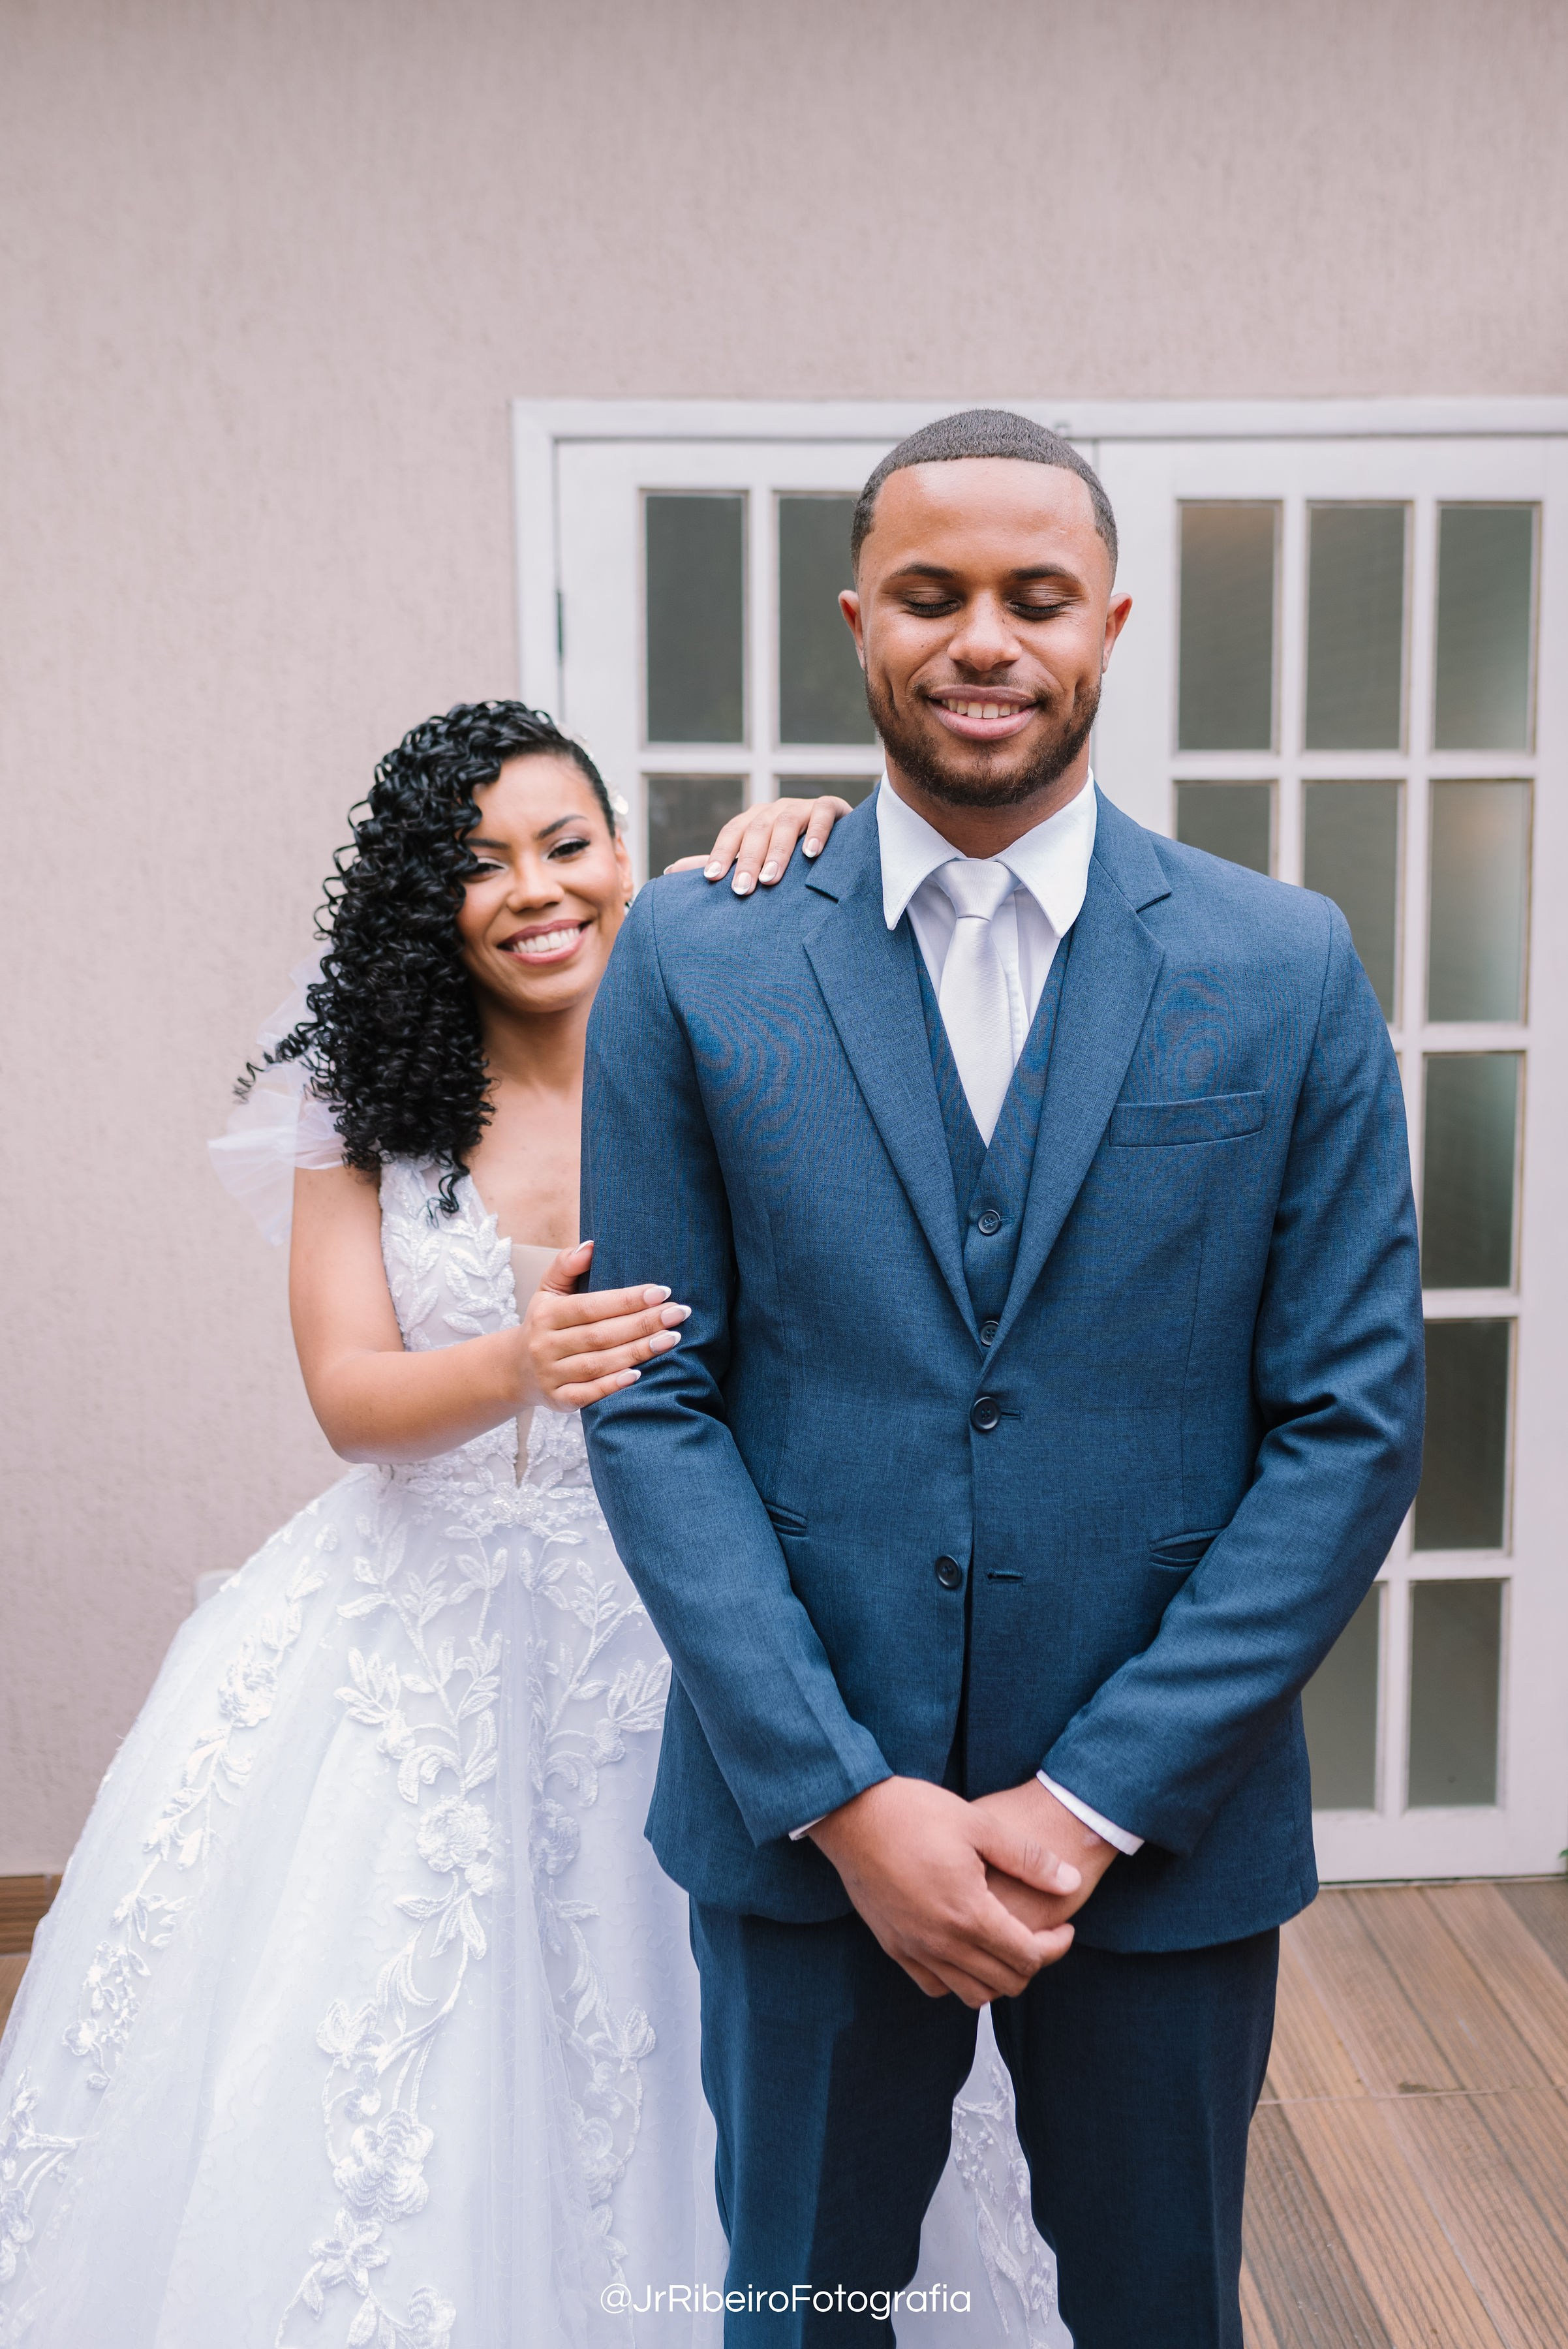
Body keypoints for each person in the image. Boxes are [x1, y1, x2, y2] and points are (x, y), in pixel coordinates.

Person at [579, 411, 1426, 2347]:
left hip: (1159, 1837)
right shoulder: (696, 960)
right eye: (935, 595)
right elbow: (653, 1396)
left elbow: (1348, 1423)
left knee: (1158, 2312)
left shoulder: (1280, 963)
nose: (986, 639)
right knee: (799, 2315)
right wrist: (845, 1798)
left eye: (1035, 597)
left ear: (1108, 624)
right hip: (808, 1830)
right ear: (858, 618)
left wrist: (1090, 1802)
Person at [0, 709, 876, 2345]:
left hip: (680, 1614)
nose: (535, 892)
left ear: (627, 854)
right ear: (426, 905)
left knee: (724, 2032)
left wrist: (818, 824)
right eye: (477, 865)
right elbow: (348, 1397)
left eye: (566, 844)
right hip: (419, 1634)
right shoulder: (360, 1098)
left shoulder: (717, 1012)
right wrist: (517, 1361)